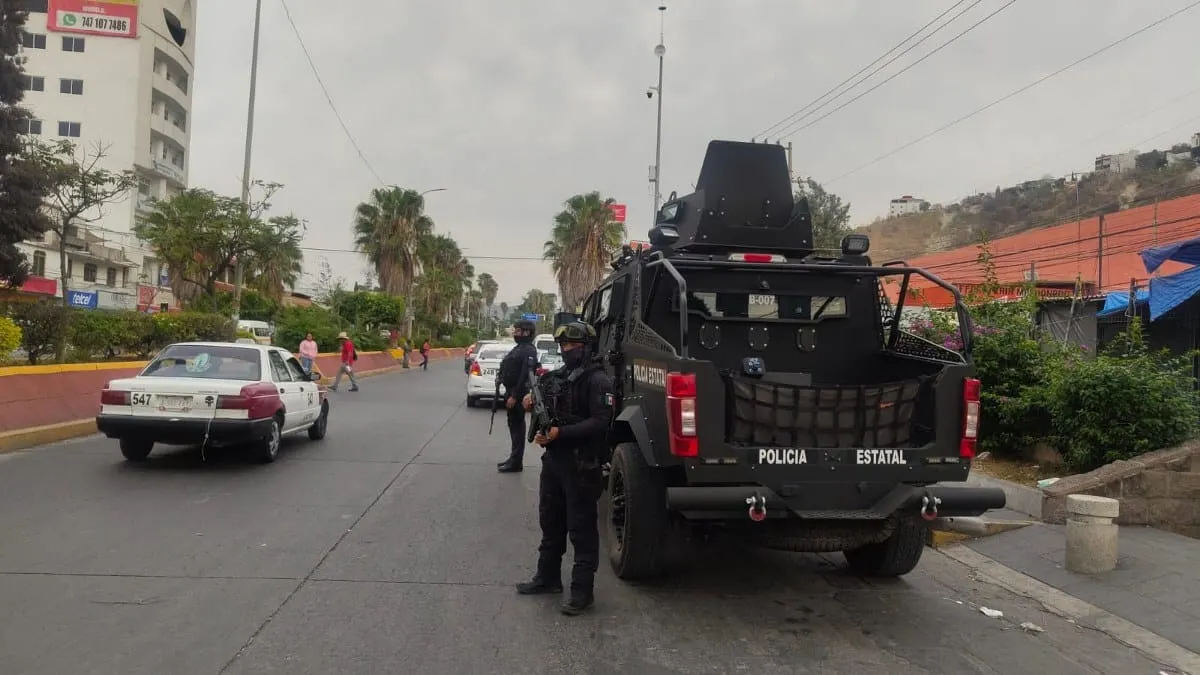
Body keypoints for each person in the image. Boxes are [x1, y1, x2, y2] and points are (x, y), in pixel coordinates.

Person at [515, 319, 613, 615]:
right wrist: (529, 402)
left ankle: (582, 592)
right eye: (563, 345)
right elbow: (542, 398)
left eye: (572, 345)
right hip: (555, 461)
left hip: (582, 464)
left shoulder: (598, 381)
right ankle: (547, 578)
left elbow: (601, 422)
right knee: (550, 521)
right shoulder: (560, 376)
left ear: (586, 348)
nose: (566, 350)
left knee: (581, 530)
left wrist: (561, 433)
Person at [495, 320, 539, 473]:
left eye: (518, 330)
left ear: (527, 332)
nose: (515, 333)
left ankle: (516, 462)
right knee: (513, 425)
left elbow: (525, 375)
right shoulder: (519, 348)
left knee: (518, 428)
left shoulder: (529, 350)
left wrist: (514, 396)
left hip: (519, 393)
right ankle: (513, 458)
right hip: (511, 391)